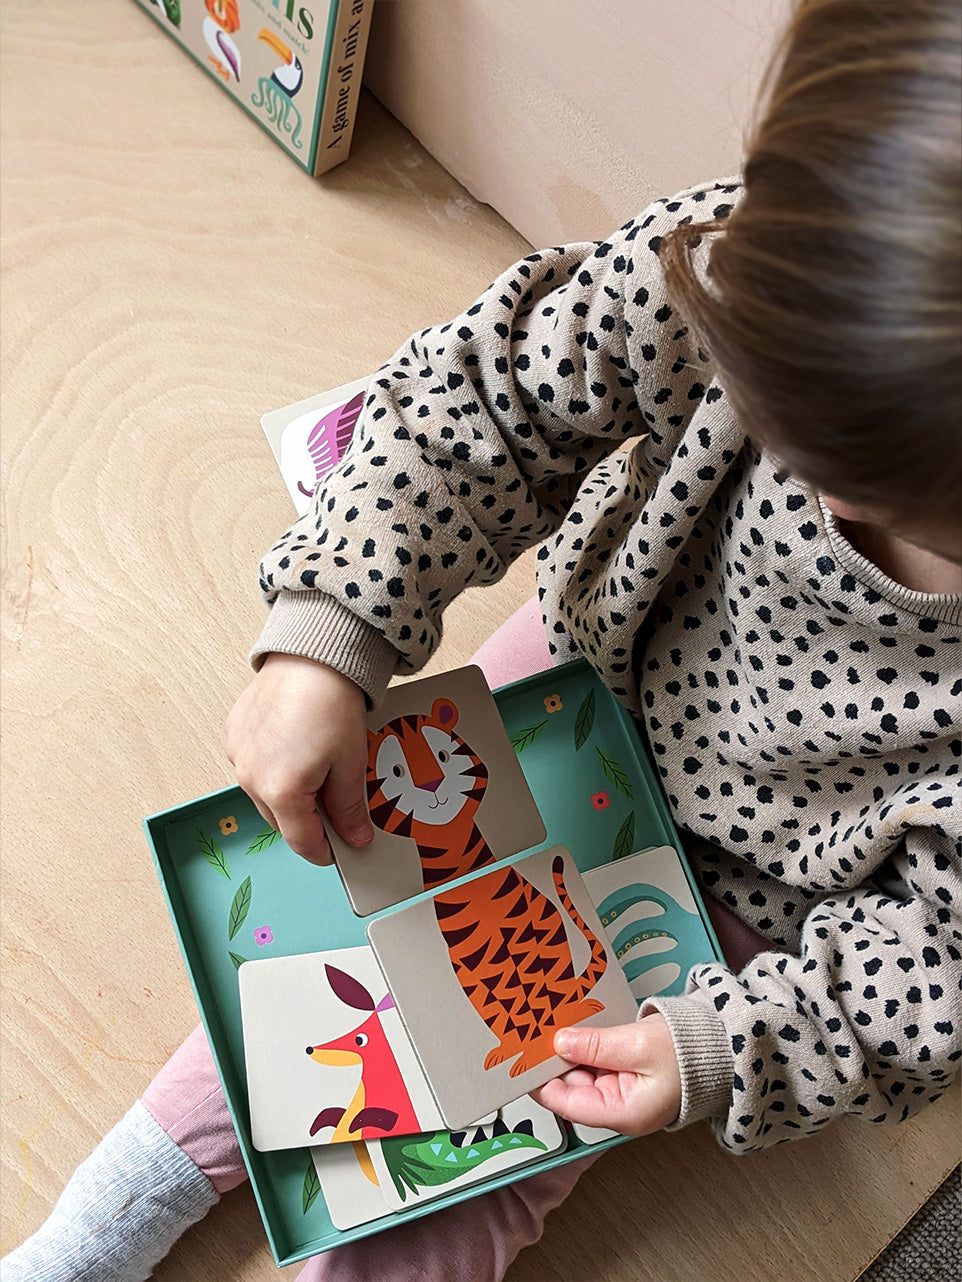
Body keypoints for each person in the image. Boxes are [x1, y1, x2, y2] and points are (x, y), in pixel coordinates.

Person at [5, 0, 960, 1278]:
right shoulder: (756, 263)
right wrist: (332, 626)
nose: (817, 497)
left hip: (768, 896)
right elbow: (486, 401)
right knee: (299, 980)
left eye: (874, 491)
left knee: (471, 1157)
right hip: (574, 685)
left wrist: (727, 1048)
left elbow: (939, 972)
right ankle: (101, 1226)